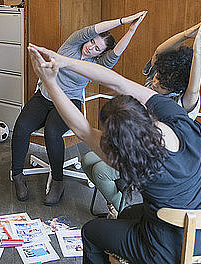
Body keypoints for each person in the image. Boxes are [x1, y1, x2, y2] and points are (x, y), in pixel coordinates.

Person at [28, 20, 201, 264]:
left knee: (92, 232)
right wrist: (62, 60)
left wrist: (50, 82)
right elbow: (118, 82)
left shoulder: (136, 162)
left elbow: (82, 130)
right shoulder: (182, 123)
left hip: (168, 252)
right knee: (126, 213)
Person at [11, 11, 147, 206]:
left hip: (70, 101)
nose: (91, 47)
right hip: (44, 96)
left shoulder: (97, 64)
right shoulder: (72, 45)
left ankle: (58, 181)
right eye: (92, 42)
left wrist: (131, 30)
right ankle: (17, 176)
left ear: (101, 54)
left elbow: (116, 53)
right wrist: (122, 21)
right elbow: (92, 30)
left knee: (52, 131)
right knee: (21, 127)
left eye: (97, 48)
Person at [83, 16, 201, 217]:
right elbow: (160, 52)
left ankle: (123, 210)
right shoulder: (158, 77)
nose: (153, 82)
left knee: (100, 171)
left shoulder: (181, 104)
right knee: (88, 160)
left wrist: (198, 49)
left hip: (151, 157)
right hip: (130, 142)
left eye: (159, 84)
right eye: (156, 76)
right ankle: (118, 203)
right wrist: (187, 34)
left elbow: (193, 88)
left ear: (175, 88)